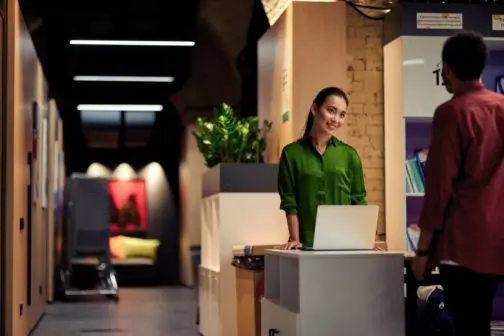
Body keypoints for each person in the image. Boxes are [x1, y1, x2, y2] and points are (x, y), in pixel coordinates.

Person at [411, 31, 504, 336]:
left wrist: (423, 252)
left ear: (447, 69)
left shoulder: (451, 112)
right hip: (499, 239)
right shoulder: (501, 107)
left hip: (463, 246)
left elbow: (438, 189)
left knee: (469, 327)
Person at [277, 87, 367, 250]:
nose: (336, 119)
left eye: (342, 114)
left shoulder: (350, 155)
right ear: (314, 108)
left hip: (345, 243)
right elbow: (290, 201)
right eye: (331, 111)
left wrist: (366, 241)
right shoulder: (291, 154)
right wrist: (295, 239)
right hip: (306, 245)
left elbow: (358, 201)